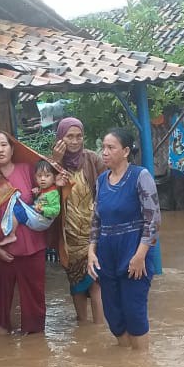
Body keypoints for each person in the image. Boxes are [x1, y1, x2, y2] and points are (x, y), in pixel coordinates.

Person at [87, 127, 161, 351]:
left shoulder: (141, 176)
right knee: (113, 314)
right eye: (103, 147)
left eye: (111, 147)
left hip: (133, 252)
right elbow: (96, 219)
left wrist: (140, 256)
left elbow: (153, 220)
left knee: (134, 312)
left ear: (126, 151)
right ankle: (126, 364)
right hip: (106, 254)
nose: (104, 152)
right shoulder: (101, 181)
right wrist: (91, 251)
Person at [0, 131, 49, 335]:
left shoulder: (27, 170)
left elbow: (47, 195)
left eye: (4, 145)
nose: (0, 149)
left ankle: (36, 354)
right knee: (2, 304)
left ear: (12, 148)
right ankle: (2, 344)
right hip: (3, 252)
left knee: (35, 303)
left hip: (33, 247)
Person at [49, 117, 104, 324]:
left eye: (78, 136)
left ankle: (99, 328)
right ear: (60, 138)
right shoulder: (51, 163)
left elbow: (105, 189)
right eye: (69, 136)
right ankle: (83, 326)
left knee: (96, 282)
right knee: (76, 284)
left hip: (92, 231)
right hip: (68, 233)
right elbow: (45, 196)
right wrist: (55, 162)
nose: (74, 141)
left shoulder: (92, 159)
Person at [0, 160, 61, 245]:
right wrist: (36, 195)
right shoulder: (44, 190)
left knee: (16, 211)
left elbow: (56, 210)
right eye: (39, 176)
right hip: (38, 217)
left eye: (47, 176)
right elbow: (41, 201)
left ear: (54, 178)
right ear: (35, 178)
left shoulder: (53, 193)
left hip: (42, 219)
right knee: (18, 208)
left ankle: (11, 235)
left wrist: (43, 210)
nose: (43, 179)